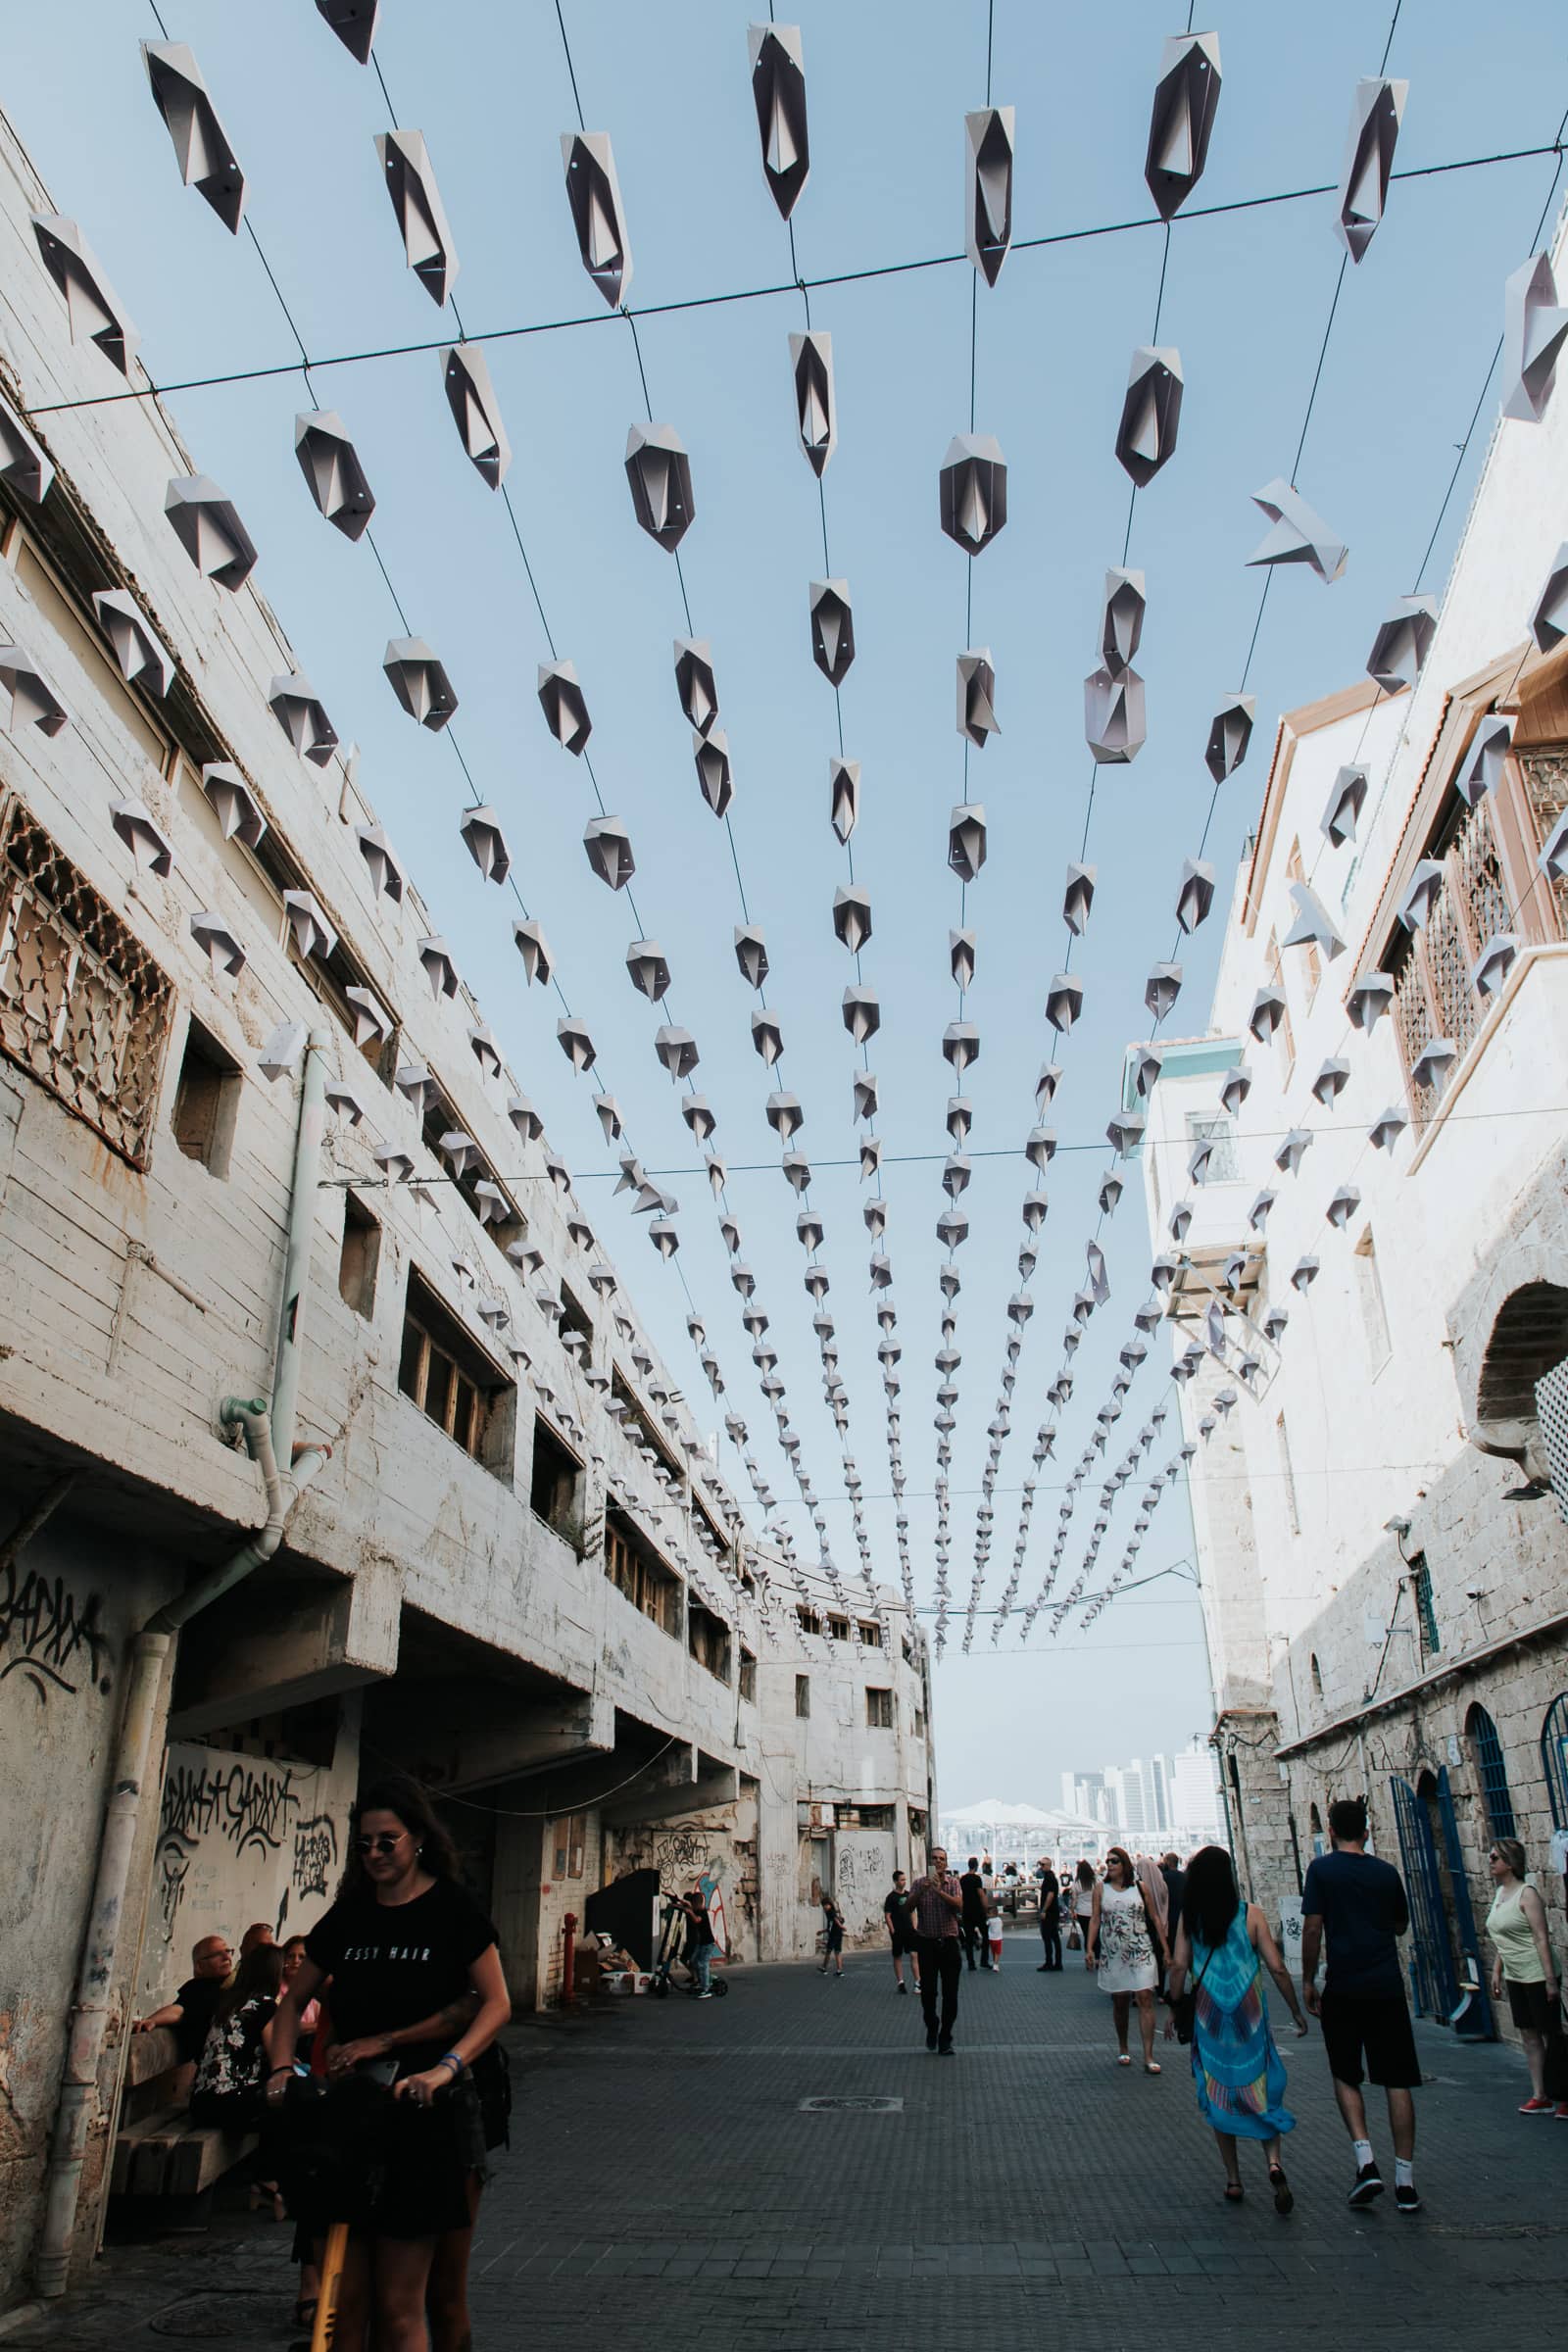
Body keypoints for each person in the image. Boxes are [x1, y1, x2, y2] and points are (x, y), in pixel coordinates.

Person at [264, 1773, 511, 2352]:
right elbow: (292, 2002)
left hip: (432, 2113)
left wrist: (444, 2068)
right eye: (365, 1844)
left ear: (418, 1839)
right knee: (347, 2304)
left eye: (387, 1841)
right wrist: (280, 2072)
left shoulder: (452, 1909)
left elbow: (495, 2003)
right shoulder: (350, 1915)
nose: (375, 1853)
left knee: (429, 2299)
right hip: (355, 2118)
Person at [1165, 1843, 1308, 2212]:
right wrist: (1296, 2010)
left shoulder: (1191, 1919)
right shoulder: (1251, 1914)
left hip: (1209, 2020)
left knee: (1219, 2093)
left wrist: (1175, 2007)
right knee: (1261, 2087)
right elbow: (1277, 1967)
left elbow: (1178, 1966)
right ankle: (1273, 2163)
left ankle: (1233, 2179)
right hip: (1251, 2020)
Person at [1300, 1795, 1421, 2212]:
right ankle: (1405, 2181)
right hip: (1386, 1986)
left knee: (1346, 2073)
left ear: (1331, 1831)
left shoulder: (1321, 1870)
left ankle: (1366, 2161)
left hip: (1344, 1986)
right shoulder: (1386, 1872)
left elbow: (1312, 1928)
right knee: (1397, 2079)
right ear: (1366, 1832)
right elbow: (1401, 1924)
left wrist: (1308, 1979)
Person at [1484, 1836, 1563, 2115]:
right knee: (1529, 2034)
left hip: (1537, 1973)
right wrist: (1497, 1971)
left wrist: (1550, 1981)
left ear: (1510, 1862)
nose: (1490, 1861)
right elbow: (1503, 1938)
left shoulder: (1527, 1894)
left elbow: (1540, 1938)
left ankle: (1564, 2094)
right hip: (1516, 1974)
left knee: (1551, 2034)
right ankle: (1540, 2094)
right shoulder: (1500, 1894)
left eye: (1495, 1857)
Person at [1089, 1845, 1166, 2072]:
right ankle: (1123, 2047)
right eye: (1108, 1861)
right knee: (1120, 2001)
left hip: (1141, 1948)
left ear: (1124, 1864)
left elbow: (1154, 1917)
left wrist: (1166, 1948)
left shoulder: (1140, 1887)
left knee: (1145, 1998)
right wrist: (1089, 1948)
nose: (1110, 1865)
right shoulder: (1101, 1889)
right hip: (1114, 1952)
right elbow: (1095, 1919)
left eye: (1114, 1861)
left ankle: (1149, 2056)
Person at [134, 1933, 234, 2069]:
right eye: (217, 1954)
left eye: (227, 1951)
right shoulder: (198, 1989)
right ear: (199, 1966)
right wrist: (152, 2020)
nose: (226, 1957)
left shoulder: (240, 1982)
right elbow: (179, 2010)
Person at [908, 1846, 964, 2055]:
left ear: (946, 1863)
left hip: (949, 1943)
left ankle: (945, 2037)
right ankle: (932, 2025)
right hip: (927, 1944)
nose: (938, 1861)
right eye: (934, 1858)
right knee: (928, 1993)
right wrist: (922, 1891)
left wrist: (939, 1891)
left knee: (950, 1995)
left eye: (942, 1859)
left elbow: (959, 1906)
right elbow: (907, 1908)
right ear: (929, 1862)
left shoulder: (953, 1884)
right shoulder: (918, 1884)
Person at [675, 1885, 718, 1995]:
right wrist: (677, 1902)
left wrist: (690, 1912)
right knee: (694, 1961)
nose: (692, 1907)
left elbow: (697, 1920)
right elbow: (687, 1904)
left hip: (708, 1944)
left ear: (698, 1904)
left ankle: (706, 1988)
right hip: (701, 1943)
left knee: (703, 1964)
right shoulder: (696, 1909)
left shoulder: (702, 1912)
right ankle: (701, 1981)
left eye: (693, 1905)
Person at [883, 1871, 920, 1994]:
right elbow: (887, 1915)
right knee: (897, 1956)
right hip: (898, 1932)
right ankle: (901, 1982)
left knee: (914, 1955)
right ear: (895, 1881)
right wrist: (892, 1930)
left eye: (905, 1879)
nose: (904, 1882)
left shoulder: (909, 1895)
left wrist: (914, 1927)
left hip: (910, 1931)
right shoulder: (891, 1897)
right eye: (901, 1880)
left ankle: (918, 1982)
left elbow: (913, 1912)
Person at [959, 1856, 991, 1971]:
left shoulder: (962, 1879)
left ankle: (971, 1963)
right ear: (976, 1866)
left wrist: (961, 1911)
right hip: (978, 1911)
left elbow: (961, 1895)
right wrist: (986, 1909)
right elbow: (981, 1894)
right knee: (986, 1936)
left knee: (969, 1939)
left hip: (967, 1911)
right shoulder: (977, 1879)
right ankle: (984, 1961)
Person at [1036, 1859, 1062, 1973]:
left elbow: (1050, 1895)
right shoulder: (1049, 1877)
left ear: (1048, 1865)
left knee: (1047, 1937)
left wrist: (1044, 1910)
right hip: (1053, 1912)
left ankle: (1049, 1962)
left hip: (1050, 1913)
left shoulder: (1050, 1878)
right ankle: (1057, 1962)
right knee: (1054, 1937)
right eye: (1040, 1864)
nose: (1041, 1867)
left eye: (1042, 1865)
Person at [1160, 1851, 1187, 1951]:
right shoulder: (1185, 1876)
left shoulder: (1163, 1877)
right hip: (1183, 1914)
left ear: (1168, 1862)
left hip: (1169, 1915)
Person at [1070, 1860, 1096, 1954]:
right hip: (1095, 1911)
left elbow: (1074, 1899)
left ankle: (1088, 1953)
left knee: (1086, 1934)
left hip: (1082, 1912)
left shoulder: (1077, 1884)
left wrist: (1072, 1911)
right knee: (1095, 1935)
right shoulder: (1096, 1882)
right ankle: (1097, 1956)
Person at [818, 1891, 846, 1979]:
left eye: (825, 1905)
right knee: (837, 1952)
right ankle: (839, 1971)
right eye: (823, 1906)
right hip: (838, 1934)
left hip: (834, 1935)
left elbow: (835, 1920)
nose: (824, 1907)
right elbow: (830, 1926)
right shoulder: (831, 1912)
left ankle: (824, 1968)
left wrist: (841, 1926)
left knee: (829, 1951)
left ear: (829, 1905)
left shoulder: (830, 1912)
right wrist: (822, 1931)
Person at [986, 1897, 1004, 1971]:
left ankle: (995, 1963)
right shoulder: (999, 1919)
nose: (987, 1914)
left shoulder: (989, 1920)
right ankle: (996, 1964)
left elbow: (986, 1925)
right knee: (997, 1952)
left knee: (994, 1952)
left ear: (993, 1914)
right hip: (998, 1938)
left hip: (991, 1938)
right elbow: (1002, 1926)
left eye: (988, 1913)